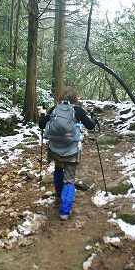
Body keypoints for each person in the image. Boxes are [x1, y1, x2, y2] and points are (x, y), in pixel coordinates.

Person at [38, 86, 96, 221]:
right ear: (74, 98)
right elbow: (90, 126)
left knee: (58, 169)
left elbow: (41, 125)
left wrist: (42, 113)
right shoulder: (77, 110)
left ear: (60, 97)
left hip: (54, 150)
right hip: (71, 151)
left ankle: (59, 194)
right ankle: (64, 212)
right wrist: (93, 118)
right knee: (69, 179)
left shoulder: (53, 109)